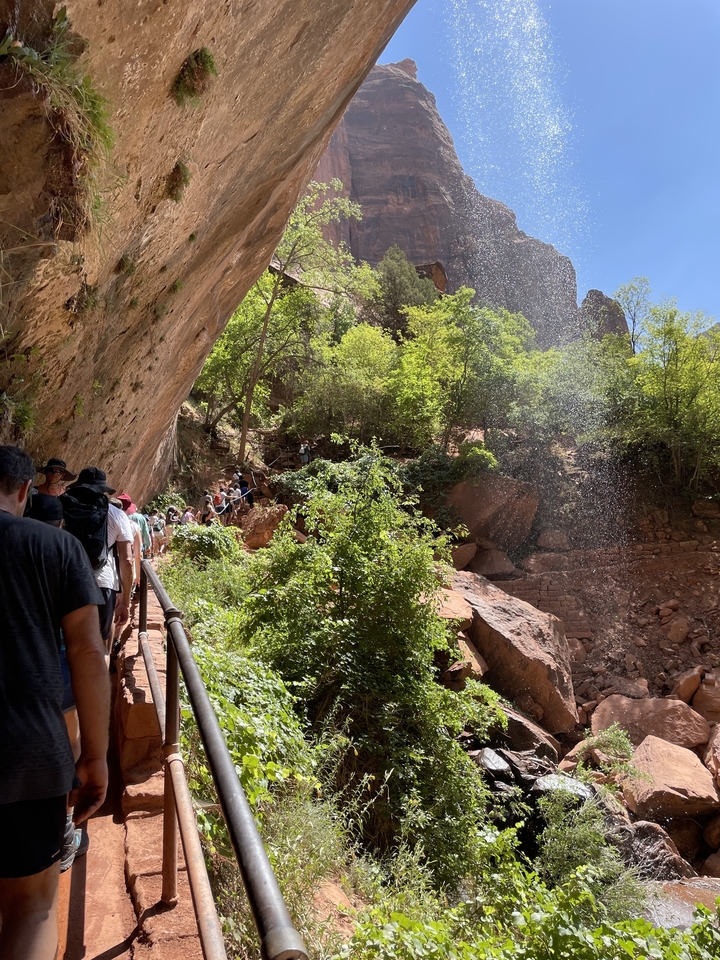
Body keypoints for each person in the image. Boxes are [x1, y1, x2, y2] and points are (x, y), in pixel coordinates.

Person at [0, 446, 110, 960]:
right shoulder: (56, 549)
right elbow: (88, 652)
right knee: (32, 906)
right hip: (30, 751)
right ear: (24, 491)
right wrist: (94, 757)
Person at [64, 468, 134, 652]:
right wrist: (125, 601)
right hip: (102, 583)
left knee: (65, 643)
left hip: (66, 582)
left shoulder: (64, 508)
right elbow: (127, 560)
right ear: (103, 489)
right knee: (100, 646)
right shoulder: (116, 514)